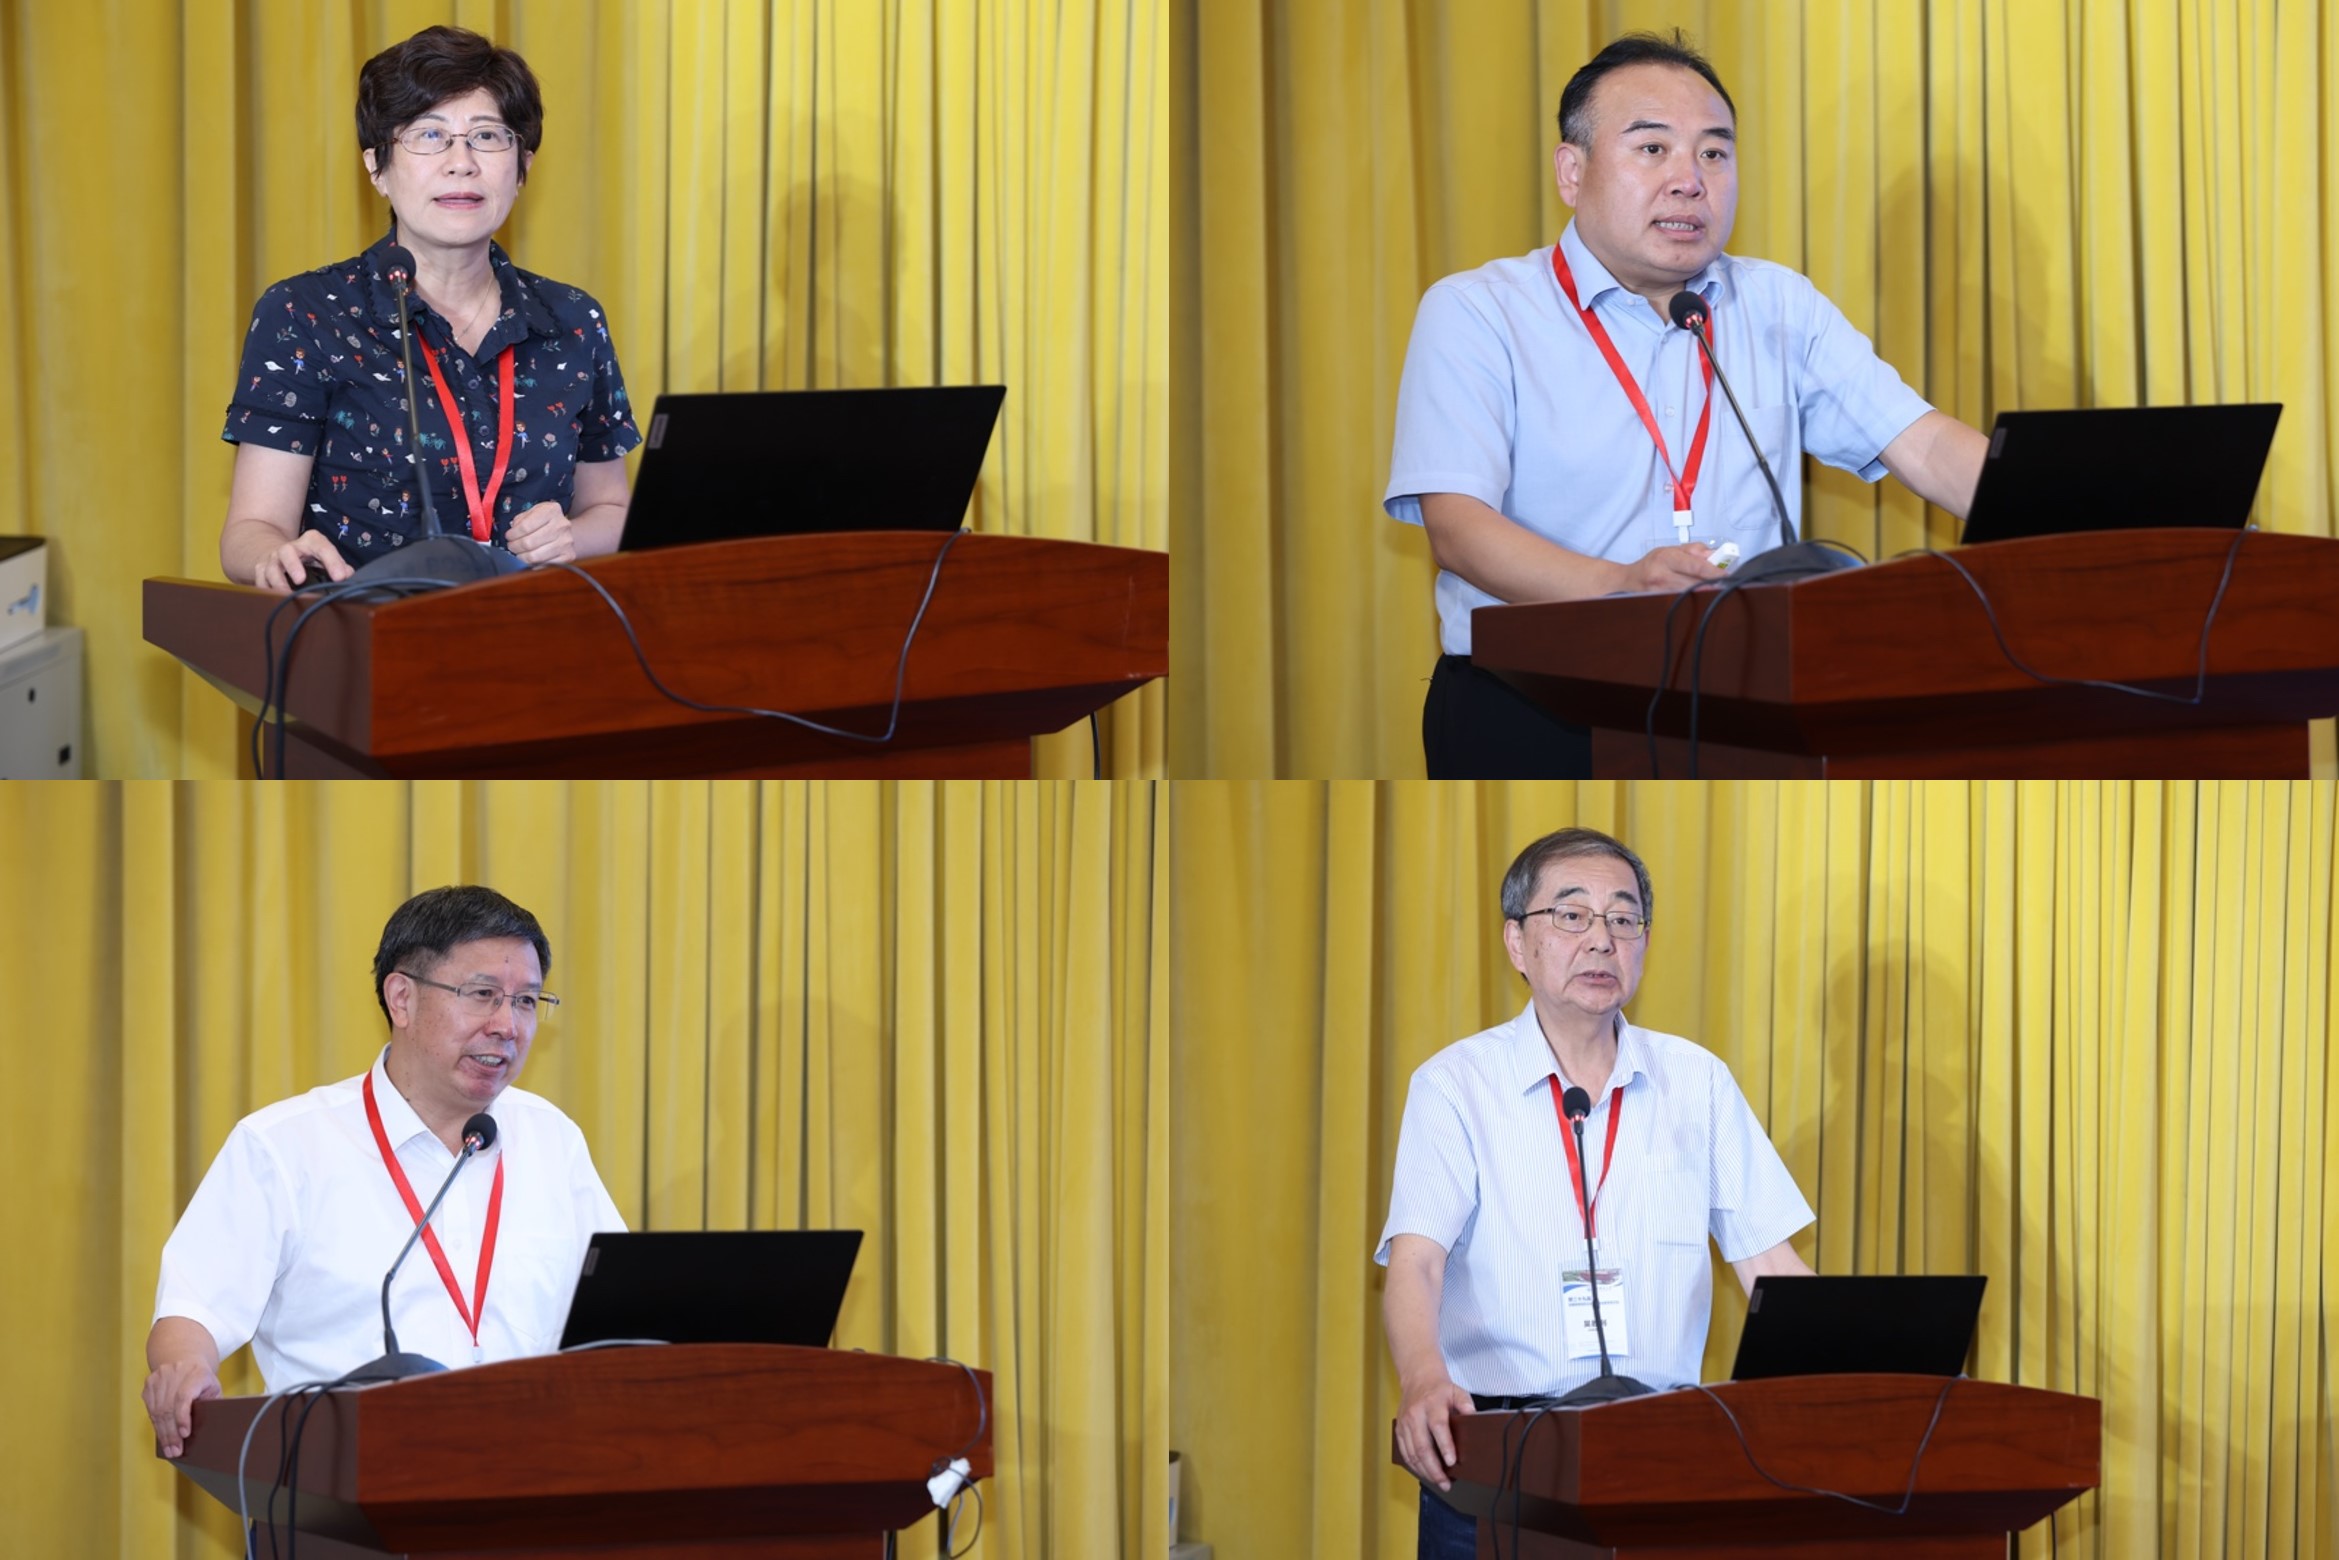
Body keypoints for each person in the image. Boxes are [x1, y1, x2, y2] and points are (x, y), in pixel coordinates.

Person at [1384, 31, 1990, 777]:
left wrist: (2070, 520)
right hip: (1535, 703)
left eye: (1713, 153)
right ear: (1572, 172)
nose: (1689, 180)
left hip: (1744, 698)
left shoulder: (1777, 303)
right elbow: (1457, 527)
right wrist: (1620, 586)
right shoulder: (1479, 311)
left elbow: (1922, 445)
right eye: (1652, 149)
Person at [1376, 828, 1815, 1559]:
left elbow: (1771, 1265)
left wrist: (1877, 1373)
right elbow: (1416, 1261)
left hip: (1663, 1451)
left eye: (1623, 918)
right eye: (1571, 915)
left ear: (1643, 943)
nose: (1602, 939)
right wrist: (1423, 1377)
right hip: (1499, 1453)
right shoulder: (1455, 1085)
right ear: (1517, 943)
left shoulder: (1696, 1082)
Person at [141, 886, 623, 1458]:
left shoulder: (552, 1140)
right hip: (343, 1477)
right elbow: (193, 1310)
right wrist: (185, 1369)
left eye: (525, 1001)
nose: (507, 1025)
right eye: (483, 995)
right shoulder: (285, 1147)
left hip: (536, 1472)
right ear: (402, 999)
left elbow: (619, 1316)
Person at [219, 26, 640, 593]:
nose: (461, 163)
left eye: (487, 136)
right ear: (377, 167)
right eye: (429, 135)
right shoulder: (305, 314)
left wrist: (571, 537)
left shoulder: (572, 320)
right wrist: (277, 554)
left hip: (534, 625)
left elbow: (613, 509)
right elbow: (250, 530)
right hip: (365, 628)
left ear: (523, 166)